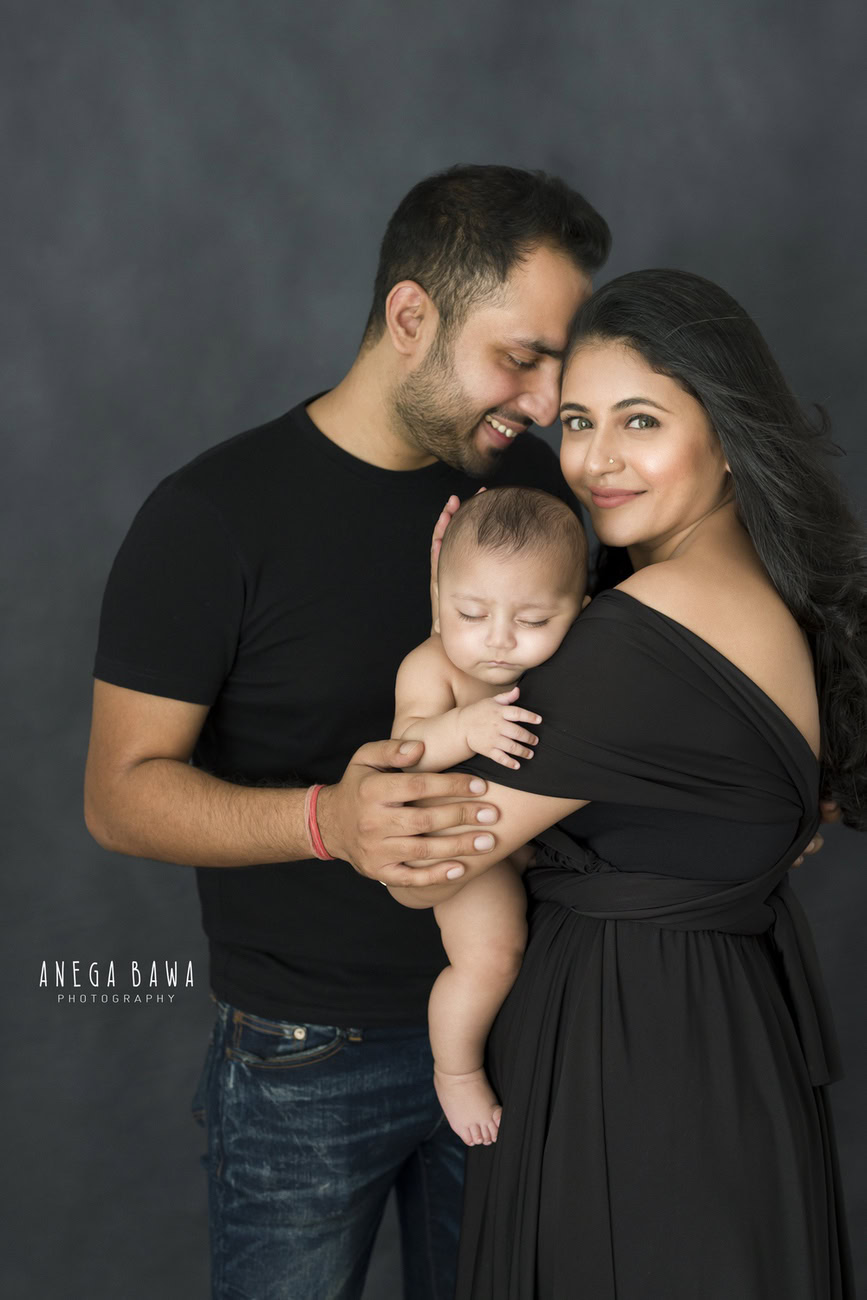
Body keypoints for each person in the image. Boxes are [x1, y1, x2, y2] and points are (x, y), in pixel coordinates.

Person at [83, 164, 612, 1299]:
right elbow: (119, 793)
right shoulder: (211, 516)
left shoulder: (542, 501)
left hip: (525, 1024)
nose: (540, 398)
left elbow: (662, 660)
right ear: (411, 316)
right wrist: (332, 821)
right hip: (302, 1060)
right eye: (520, 355)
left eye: (558, 363)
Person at [391, 268, 861, 1298]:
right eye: (575, 422)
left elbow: (418, 866)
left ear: (728, 433)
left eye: (639, 420)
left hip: (635, 1069)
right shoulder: (752, 602)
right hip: (720, 1046)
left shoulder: (639, 638)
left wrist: (442, 643)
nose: (595, 461)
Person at [392, 486, 588, 1146]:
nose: (498, 640)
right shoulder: (431, 665)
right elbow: (408, 750)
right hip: (459, 841)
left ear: (579, 614)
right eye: (471, 612)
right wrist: (464, 727)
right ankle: (455, 1069)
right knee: (491, 957)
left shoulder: (571, 664)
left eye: (534, 621)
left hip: (530, 838)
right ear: (439, 605)